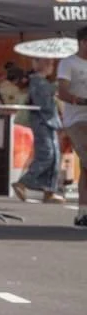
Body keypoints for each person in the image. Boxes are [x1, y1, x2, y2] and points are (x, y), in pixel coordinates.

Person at [12, 58, 64, 204]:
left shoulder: (42, 82)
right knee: (47, 154)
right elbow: (44, 105)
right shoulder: (38, 82)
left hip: (47, 122)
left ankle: (49, 190)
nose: (52, 67)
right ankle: (24, 182)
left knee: (54, 156)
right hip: (43, 122)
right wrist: (54, 90)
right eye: (49, 63)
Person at [58, 26, 87, 228]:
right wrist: (81, 101)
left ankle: (83, 212)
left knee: (86, 166)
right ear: (83, 42)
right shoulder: (68, 63)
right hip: (77, 121)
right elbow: (62, 92)